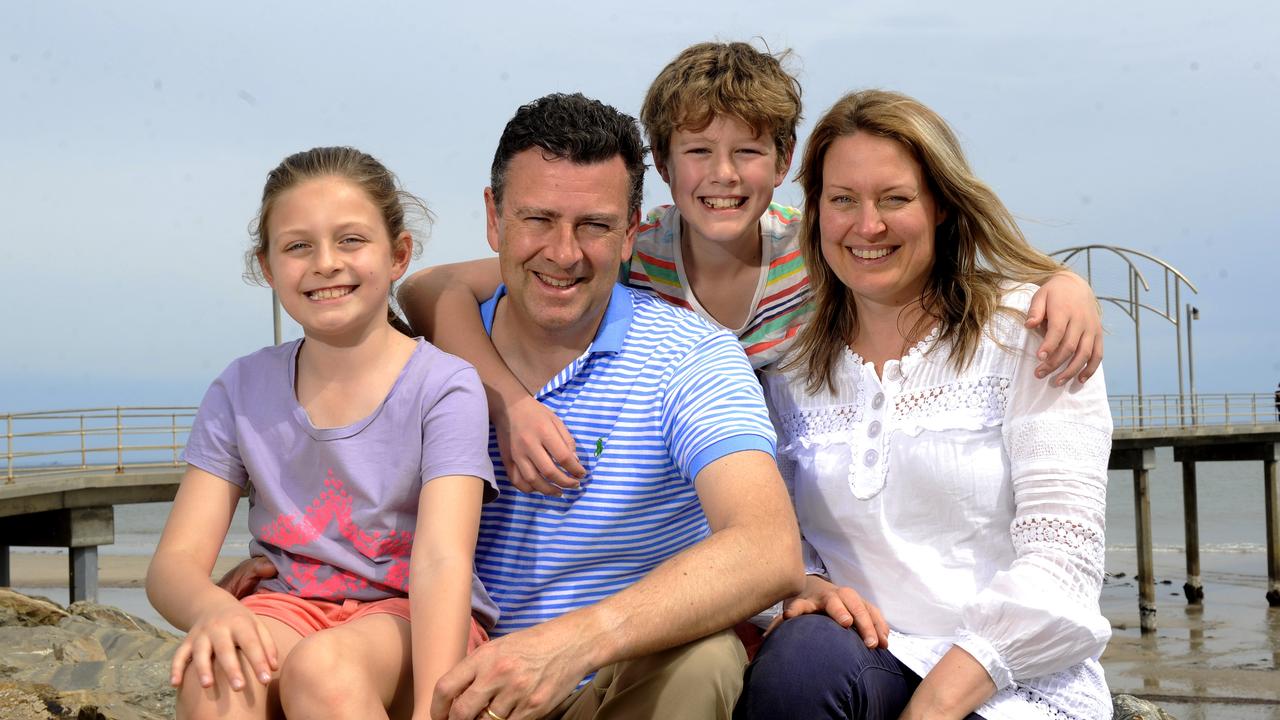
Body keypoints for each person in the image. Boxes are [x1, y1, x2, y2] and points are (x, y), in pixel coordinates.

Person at [398, 41, 1105, 499]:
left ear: (787, 159)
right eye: (699, 151)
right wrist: (511, 404)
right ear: (664, 164)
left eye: (749, 151)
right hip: (689, 492)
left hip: (804, 492)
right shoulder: (626, 247)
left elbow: (941, 269)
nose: (724, 175)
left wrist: (1064, 287)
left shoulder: (822, 250)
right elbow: (430, 288)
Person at [734, 89, 1114, 720]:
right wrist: (803, 587)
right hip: (867, 660)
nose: (868, 225)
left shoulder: (1028, 334)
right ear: (816, 213)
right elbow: (775, 541)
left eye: (895, 198)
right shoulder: (791, 370)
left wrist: (936, 704)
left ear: (940, 205)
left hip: (1008, 675)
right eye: (843, 200)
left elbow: (1065, 564)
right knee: (798, 660)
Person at [146, 147, 498, 719]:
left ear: (398, 255)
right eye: (298, 246)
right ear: (267, 266)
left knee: (324, 670)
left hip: (413, 620)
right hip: (290, 607)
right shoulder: (242, 387)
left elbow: (441, 561)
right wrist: (216, 610)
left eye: (351, 240)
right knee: (217, 673)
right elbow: (173, 564)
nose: (325, 263)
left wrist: (439, 704)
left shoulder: (444, 385)